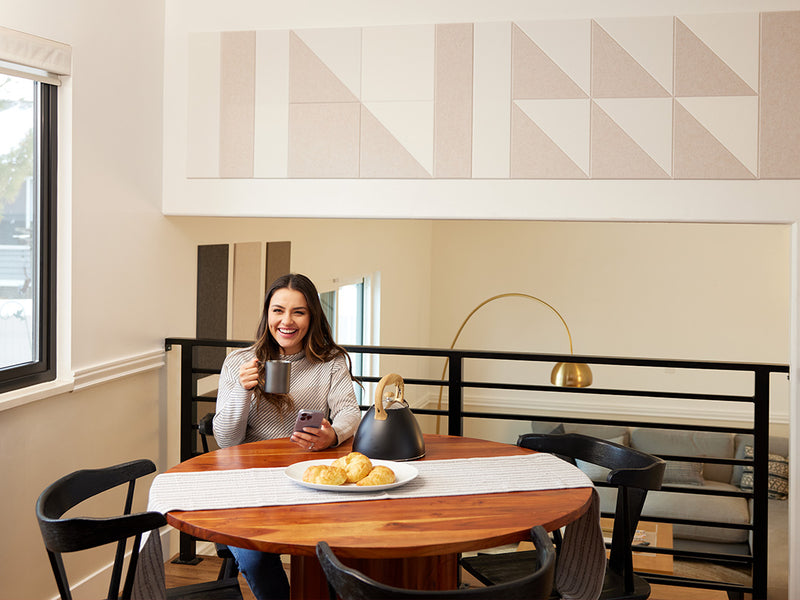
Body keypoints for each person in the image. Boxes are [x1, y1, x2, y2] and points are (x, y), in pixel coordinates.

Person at [213, 273, 361, 600]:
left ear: (312, 317)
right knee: (256, 558)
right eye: (278, 310)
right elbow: (226, 440)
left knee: (338, 544)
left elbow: (350, 412)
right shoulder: (238, 362)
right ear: (267, 314)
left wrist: (333, 435)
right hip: (251, 483)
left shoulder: (330, 362)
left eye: (299, 312)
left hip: (309, 478)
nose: (287, 321)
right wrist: (243, 390)